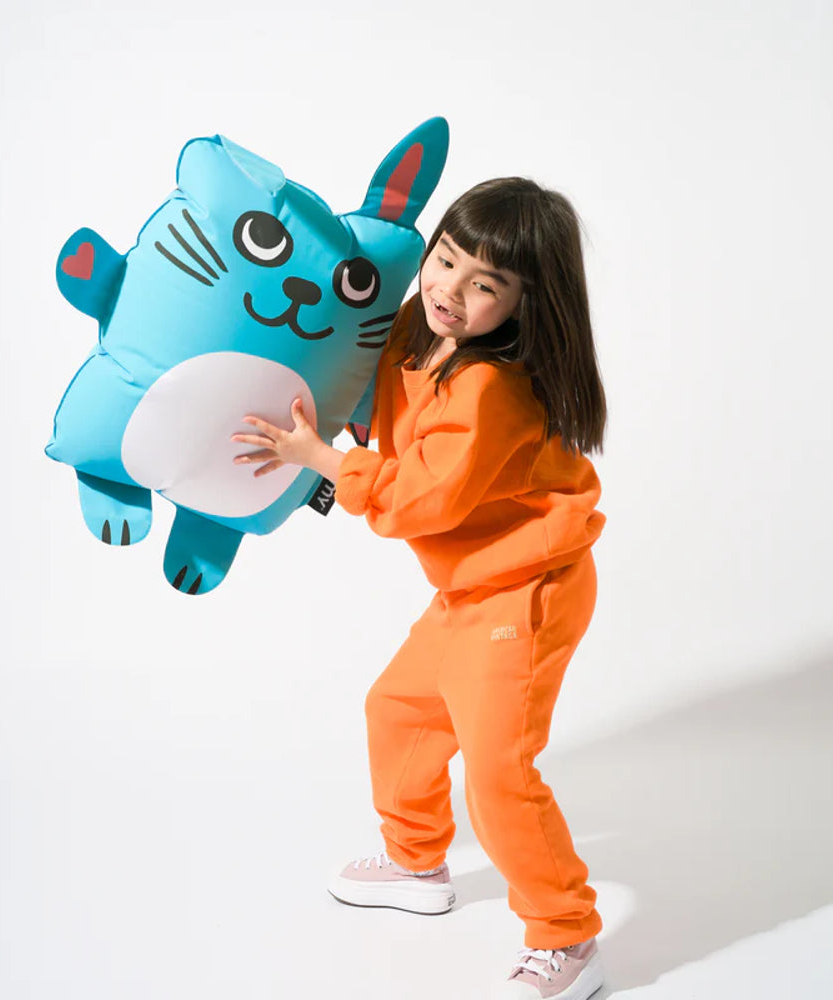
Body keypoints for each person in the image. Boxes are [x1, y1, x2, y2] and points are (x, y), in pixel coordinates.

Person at [231, 177, 608, 1000]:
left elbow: (419, 500)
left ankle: (567, 934)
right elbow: (377, 395)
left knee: (499, 772)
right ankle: (415, 861)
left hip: (525, 589)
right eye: (446, 260)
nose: (450, 291)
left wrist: (322, 462)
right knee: (399, 711)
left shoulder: (491, 389)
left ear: (527, 302)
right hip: (471, 585)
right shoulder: (416, 327)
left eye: (486, 285)